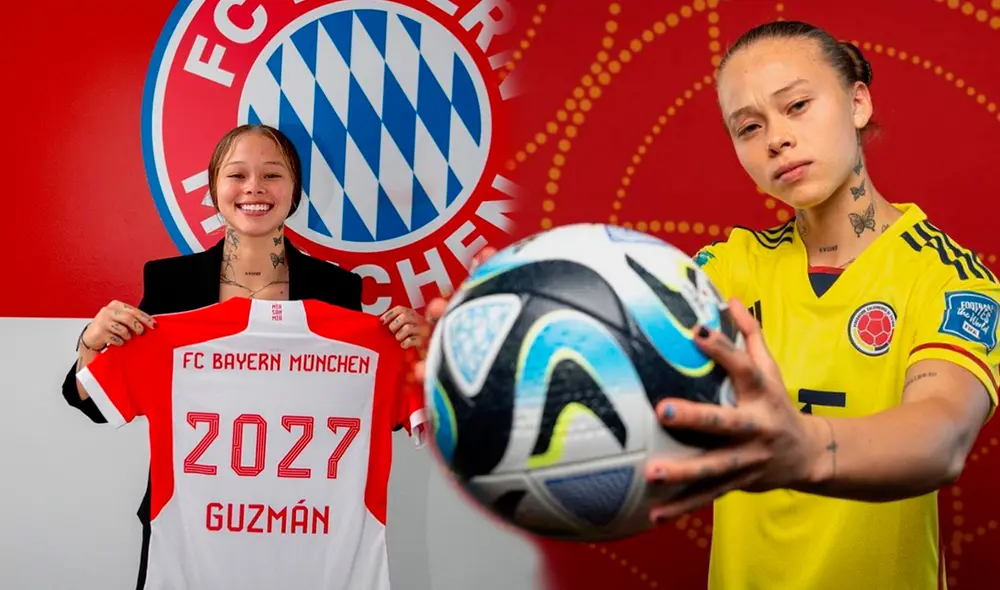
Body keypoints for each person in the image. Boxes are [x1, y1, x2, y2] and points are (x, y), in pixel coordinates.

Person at [415, 20, 1000, 590]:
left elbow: (941, 435)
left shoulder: (947, 278)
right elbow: (613, 335)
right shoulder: (726, 272)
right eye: (749, 126)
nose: (776, 138)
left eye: (797, 106)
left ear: (858, 104)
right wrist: (496, 343)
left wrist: (807, 451)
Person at [62, 123, 429, 587]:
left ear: (294, 191)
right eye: (237, 175)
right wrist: (91, 344)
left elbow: (374, 408)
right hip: (193, 533)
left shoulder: (337, 289)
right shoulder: (169, 284)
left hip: (311, 529)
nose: (254, 187)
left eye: (272, 175)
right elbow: (95, 402)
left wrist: (417, 355)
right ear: (214, 188)